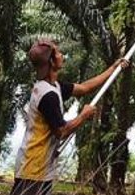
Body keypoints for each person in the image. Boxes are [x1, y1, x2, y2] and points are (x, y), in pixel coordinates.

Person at [11, 38, 128, 195]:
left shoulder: (55, 87)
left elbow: (85, 88)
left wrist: (113, 68)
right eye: (58, 53)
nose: (62, 55)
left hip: (39, 166)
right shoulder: (48, 95)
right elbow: (61, 131)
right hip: (34, 167)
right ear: (51, 62)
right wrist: (83, 116)